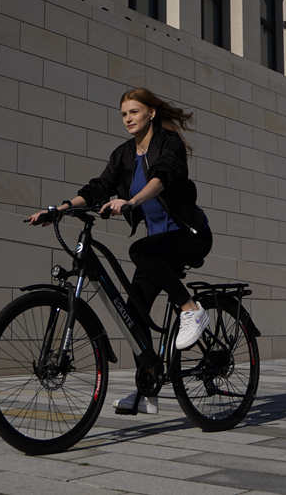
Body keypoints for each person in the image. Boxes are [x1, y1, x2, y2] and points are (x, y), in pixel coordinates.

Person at [26, 87, 212, 414]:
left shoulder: (169, 144)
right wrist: (59, 209)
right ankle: (148, 391)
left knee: (140, 251)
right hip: (158, 245)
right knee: (134, 313)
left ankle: (190, 308)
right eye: (124, 114)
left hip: (187, 234)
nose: (128, 118)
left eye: (134, 112)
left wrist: (132, 201)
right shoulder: (124, 154)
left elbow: (162, 178)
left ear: (151, 113)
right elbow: (99, 186)